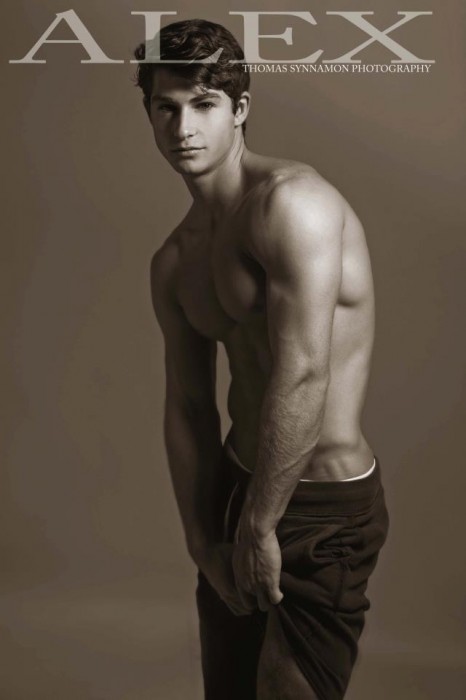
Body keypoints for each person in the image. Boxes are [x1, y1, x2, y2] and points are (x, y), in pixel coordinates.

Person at [134, 18, 389, 700]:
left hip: (322, 506)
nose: (183, 127)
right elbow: (189, 407)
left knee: (286, 689)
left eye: (204, 104)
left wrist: (260, 525)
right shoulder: (173, 262)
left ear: (240, 108)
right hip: (238, 490)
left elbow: (302, 372)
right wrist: (202, 542)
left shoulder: (293, 205)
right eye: (166, 108)